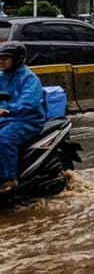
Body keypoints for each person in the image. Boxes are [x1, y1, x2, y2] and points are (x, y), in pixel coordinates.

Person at [0, 42, 46, 194]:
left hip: (27, 120)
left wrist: (7, 110)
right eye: (0, 58)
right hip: (5, 119)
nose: (1, 61)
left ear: (17, 59)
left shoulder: (29, 79)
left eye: (5, 58)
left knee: (4, 139)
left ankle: (9, 179)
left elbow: (28, 102)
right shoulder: (2, 77)